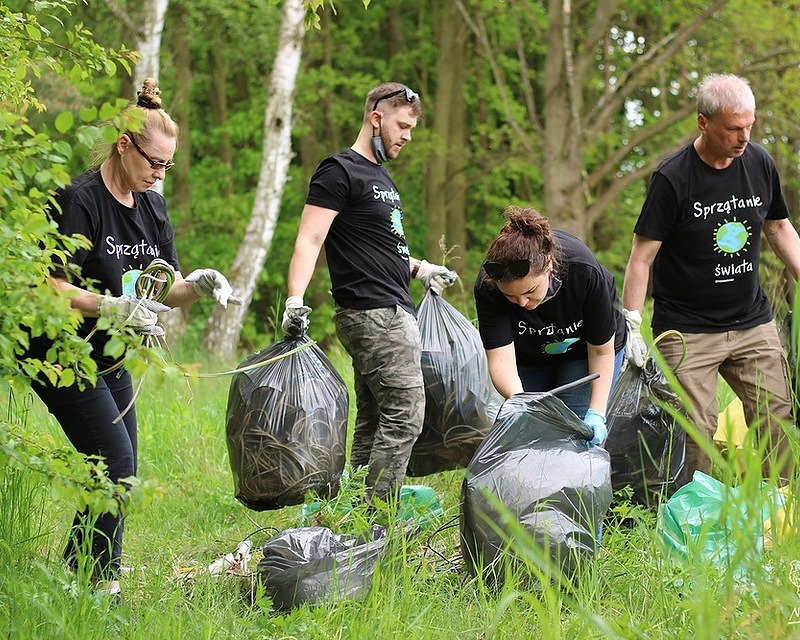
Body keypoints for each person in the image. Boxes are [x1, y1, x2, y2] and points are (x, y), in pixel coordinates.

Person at [26, 78, 240, 596]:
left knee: (119, 467)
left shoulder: (153, 208)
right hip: (60, 352)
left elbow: (164, 288)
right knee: (115, 464)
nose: (159, 174)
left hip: (112, 355)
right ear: (124, 145)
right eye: (154, 163)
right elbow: (45, 284)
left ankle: (81, 575)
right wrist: (110, 305)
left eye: (168, 166)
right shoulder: (79, 200)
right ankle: (101, 587)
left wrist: (200, 284)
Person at [281, 82, 457, 502]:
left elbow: (381, 245)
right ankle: (378, 521)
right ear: (376, 118)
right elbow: (310, 238)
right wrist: (294, 298)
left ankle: (354, 510)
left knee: (376, 418)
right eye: (401, 125)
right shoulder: (338, 170)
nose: (407, 136)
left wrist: (420, 268)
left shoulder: (382, 178)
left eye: (412, 128)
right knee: (407, 417)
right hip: (373, 313)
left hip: (393, 307)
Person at [622, 73, 799, 483]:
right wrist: (631, 323)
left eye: (749, 126)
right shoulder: (673, 178)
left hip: (751, 322)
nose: (744, 137)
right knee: (694, 431)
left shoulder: (758, 163)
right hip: (687, 330)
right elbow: (642, 256)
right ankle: (692, 515)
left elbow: (778, 229)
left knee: (778, 421)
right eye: (734, 128)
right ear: (703, 123)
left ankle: (780, 508)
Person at [474, 206, 626, 446]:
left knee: (572, 433)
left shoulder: (582, 270)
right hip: (529, 355)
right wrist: (520, 401)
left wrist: (597, 413)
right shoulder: (489, 286)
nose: (522, 303)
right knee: (530, 434)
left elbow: (601, 351)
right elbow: (500, 358)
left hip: (584, 352)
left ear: (549, 263)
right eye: (511, 297)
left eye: (529, 291)